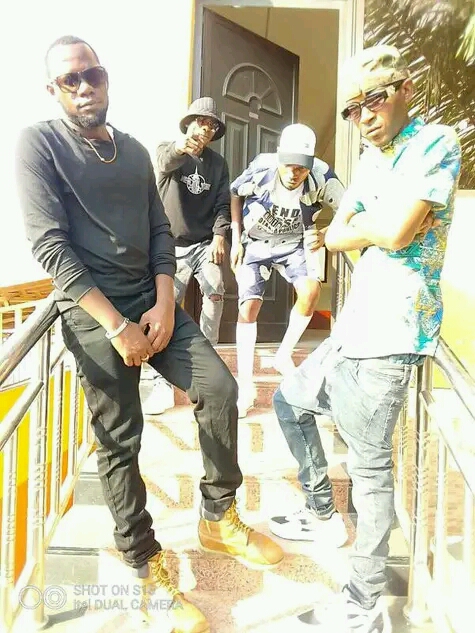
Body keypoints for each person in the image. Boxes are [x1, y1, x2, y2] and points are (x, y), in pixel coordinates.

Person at [15, 35, 283, 632]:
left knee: (218, 388)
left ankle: (217, 516)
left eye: (93, 74)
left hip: (151, 298)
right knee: (121, 439)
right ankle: (144, 568)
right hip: (92, 313)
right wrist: (115, 326)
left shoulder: (134, 150)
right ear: (54, 89)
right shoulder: (39, 144)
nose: (85, 87)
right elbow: (49, 245)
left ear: (106, 78)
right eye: (70, 80)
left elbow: (162, 230)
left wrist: (164, 303)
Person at [270, 45, 461, 631]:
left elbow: (399, 233)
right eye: (352, 109)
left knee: (371, 472)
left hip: (394, 331)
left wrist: (369, 228)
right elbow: (337, 232)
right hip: (353, 327)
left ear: (405, 89)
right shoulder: (373, 158)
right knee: (289, 400)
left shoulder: (437, 143)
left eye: (373, 100)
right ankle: (322, 511)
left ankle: (362, 602)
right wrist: (370, 228)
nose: (363, 117)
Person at [230, 123, 345, 417]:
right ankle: (245, 386)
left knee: (310, 291)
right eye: (290, 165)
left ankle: (283, 355)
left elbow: (349, 208)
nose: (295, 173)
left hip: (295, 244)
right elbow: (235, 193)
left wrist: (326, 233)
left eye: (302, 167)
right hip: (257, 242)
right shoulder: (261, 167)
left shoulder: (323, 175)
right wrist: (235, 238)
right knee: (249, 306)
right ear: (280, 157)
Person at [141, 98, 230, 417]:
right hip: (169, 245)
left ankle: (208, 355)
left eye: (212, 125)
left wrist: (220, 235)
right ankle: (158, 381)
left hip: (204, 243)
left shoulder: (218, 164)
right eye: (201, 122)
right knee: (165, 306)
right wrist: (181, 147)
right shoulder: (169, 151)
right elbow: (164, 161)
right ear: (189, 123)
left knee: (216, 290)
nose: (206, 129)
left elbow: (223, 203)